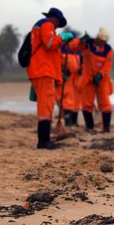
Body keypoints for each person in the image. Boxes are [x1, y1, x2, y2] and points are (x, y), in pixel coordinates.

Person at [26, 8, 75, 149]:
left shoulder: (40, 26)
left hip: (42, 71)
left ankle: (45, 140)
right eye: (58, 22)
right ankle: (43, 142)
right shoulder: (46, 24)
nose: (57, 26)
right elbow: (50, 44)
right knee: (45, 106)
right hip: (43, 71)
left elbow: (49, 51)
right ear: (54, 18)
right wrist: (62, 38)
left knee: (46, 105)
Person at [68, 27, 114, 132]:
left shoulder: (108, 50)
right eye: (101, 41)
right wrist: (80, 40)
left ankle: (106, 128)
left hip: (102, 80)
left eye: (105, 41)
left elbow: (107, 65)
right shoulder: (88, 43)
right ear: (97, 37)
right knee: (86, 104)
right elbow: (73, 47)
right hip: (87, 79)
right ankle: (90, 128)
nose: (103, 43)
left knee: (105, 104)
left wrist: (100, 75)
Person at [55, 44, 83, 126]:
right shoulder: (59, 51)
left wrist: (81, 69)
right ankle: (68, 122)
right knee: (66, 103)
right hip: (64, 82)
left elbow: (81, 64)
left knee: (75, 104)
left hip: (75, 82)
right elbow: (55, 64)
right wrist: (62, 69)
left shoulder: (77, 54)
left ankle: (74, 122)